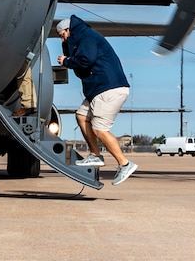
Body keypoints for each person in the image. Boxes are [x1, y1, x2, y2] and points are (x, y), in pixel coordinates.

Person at [55, 16, 137, 186]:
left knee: (100, 129)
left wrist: (67, 61)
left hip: (108, 88)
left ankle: (125, 163)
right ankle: (95, 155)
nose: (62, 39)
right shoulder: (80, 38)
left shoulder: (87, 36)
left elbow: (86, 60)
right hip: (98, 89)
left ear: (69, 30)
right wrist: (68, 53)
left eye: (63, 35)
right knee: (81, 116)